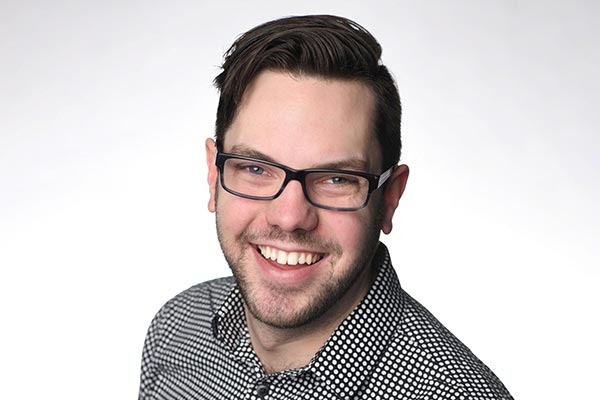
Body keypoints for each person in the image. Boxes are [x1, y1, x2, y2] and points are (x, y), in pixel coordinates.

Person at [138, 15, 513, 400]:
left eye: (336, 179)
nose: (289, 217)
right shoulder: (176, 331)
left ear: (390, 197)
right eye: (255, 168)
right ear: (213, 175)